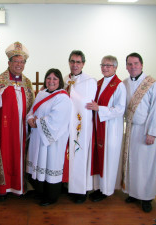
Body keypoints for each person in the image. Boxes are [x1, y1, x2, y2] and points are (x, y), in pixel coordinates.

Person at [0, 41, 34, 200]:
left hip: (22, 129)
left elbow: (32, 105)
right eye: (16, 61)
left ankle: (19, 187)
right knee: (5, 155)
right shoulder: (0, 80)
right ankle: (3, 189)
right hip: (5, 129)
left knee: (21, 156)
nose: (19, 65)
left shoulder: (27, 82)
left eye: (22, 62)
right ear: (9, 63)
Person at [121, 52, 156, 213]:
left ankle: (146, 197)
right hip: (131, 129)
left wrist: (152, 132)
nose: (133, 67)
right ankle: (133, 192)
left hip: (146, 130)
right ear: (126, 66)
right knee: (132, 163)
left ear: (142, 65)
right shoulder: (124, 83)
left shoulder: (152, 84)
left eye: (136, 64)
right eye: (130, 64)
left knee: (146, 165)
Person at [26, 68, 72, 206]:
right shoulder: (41, 94)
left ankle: (51, 196)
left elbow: (56, 120)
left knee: (50, 165)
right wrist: (29, 119)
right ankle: (40, 192)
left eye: (55, 79)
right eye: (49, 78)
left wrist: (36, 122)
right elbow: (32, 111)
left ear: (60, 81)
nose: (51, 81)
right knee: (39, 164)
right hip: (37, 137)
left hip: (52, 141)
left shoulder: (63, 98)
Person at [86, 55, 126, 202]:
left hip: (111, 129)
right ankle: (98, 187)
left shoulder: (119, 85)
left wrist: (99, 109)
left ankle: (106, 190)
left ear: (115, 67)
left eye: (108, 65)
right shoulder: (98, 83)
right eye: (103, 65)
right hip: (98, 126)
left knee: (108, 159)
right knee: (98, 156)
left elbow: (120, 109)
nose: (105, 68)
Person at [62, 50, 97, 203]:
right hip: (66, 123)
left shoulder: (90, 80)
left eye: (78, 62)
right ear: (69, 62)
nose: (74, 65)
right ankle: (68, 184)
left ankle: (80, 190)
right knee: (68, 155)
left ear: (83, 64)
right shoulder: (65, 78)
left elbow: (87, 102)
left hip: (81, 125)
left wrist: (69, 94)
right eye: (72, 61)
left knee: (79, 155)